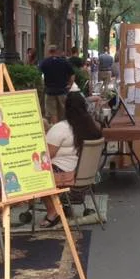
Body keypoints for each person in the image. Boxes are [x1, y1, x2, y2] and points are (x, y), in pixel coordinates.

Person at [39, 91, 101, 228]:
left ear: (66, 108)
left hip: (66, 179)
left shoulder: (60, 129)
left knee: (37, 171)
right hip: (86, 180)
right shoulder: (93, 127)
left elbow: (46, 156)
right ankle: (60, 207)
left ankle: (52, 212)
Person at [38, 44, 75, 123]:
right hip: (62, 91)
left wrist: (42, 85)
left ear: (49, 52)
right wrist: (70, 85)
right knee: (63, 112)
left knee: (52, 113)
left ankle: (55, 127)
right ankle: (63, 127)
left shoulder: (44, 62)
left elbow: (39, 74)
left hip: (50, 91)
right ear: (57, 51)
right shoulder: (64, 61)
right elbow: (72, 74)